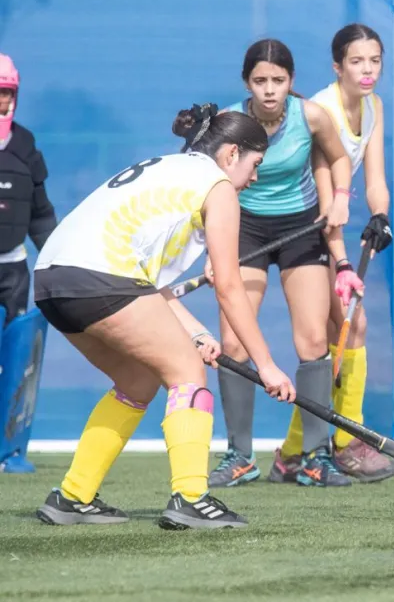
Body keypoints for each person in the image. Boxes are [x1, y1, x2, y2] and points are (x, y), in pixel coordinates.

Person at [33, 103, 296, 529]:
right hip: (102, 278)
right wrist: (266, 366)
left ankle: (72, 496)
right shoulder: (218, 187)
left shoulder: (169, 168)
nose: (255, 178)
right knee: (188, 373)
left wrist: (196, 332)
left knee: (138, 380)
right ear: (232, 154)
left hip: (51, 278)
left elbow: (147, 285)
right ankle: (191, 498)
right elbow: (229, 287)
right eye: (256, 164)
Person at [207, 39, 359, 489]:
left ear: (291, 81)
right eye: (260, 81)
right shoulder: (229, 123)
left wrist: (341, 198)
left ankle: (315, 457)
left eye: (278, 80)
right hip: (244, 228)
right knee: (233, 342)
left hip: (300, 228)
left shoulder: (311, 116)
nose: (270, 89)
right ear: (246, 83)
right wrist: (210, 249)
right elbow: (208, 184)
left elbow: (339, 158)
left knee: (312, 339)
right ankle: (239, 456)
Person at [271, 23, 394, 484]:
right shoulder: (323, 110)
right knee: (350, 326)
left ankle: (293, 453)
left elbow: (375, 178)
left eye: (375, 61)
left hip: (332, 220)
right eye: (357, 61)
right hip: (306, 223)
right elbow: (327, 200)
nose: (367, 70)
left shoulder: (374, 105)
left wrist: (380, 215)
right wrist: (342, 260)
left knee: (341, 333)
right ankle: (345, 443)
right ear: (337, 66)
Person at [0, 53, 58, 325]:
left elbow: (40, 213)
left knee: (14, 337)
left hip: (13, 268)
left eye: (4, 93)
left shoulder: (24, 145)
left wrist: (57, 260)